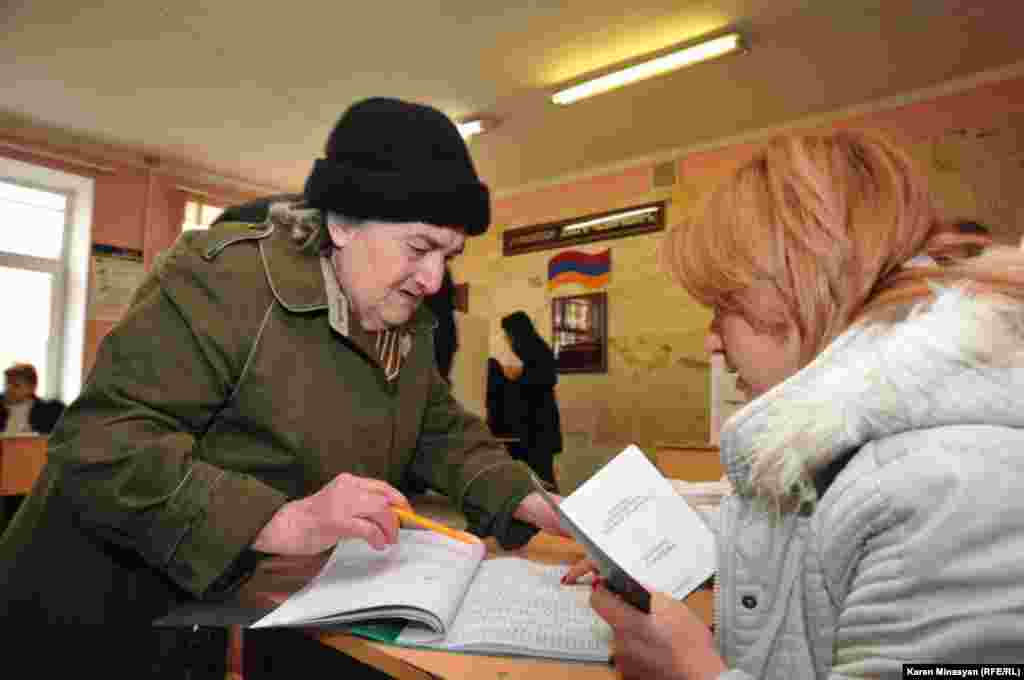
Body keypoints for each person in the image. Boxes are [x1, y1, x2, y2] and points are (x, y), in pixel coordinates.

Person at [0, 97, 567, 676]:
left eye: (449, 256)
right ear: (343, 222)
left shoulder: (403, 320)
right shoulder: (222, 281)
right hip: (89, 615)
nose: (433, 279)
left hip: (203, 615)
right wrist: (279, 521)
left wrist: (527, 497)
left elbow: (436, 428)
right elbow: (104, 439)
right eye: (420, 247)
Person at [565, 129, 1024, 677]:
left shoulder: (952, 484)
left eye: (722, 307)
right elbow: (801, 535)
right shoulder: (876, 450)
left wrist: (690, 672)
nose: (712, 340)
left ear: (792, 287)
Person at [487, 311, 563, 490]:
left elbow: (529, 390)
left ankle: (558, 517)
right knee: (541, 481)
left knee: (543, 483)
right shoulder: (537, 352)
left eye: (508, 337)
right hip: (539, 433)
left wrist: (500, 376)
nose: (509, 342)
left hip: (536, 433)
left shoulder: (536, 353)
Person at [1, 362, 65, 435]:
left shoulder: (49, 411)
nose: (8, 389)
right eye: (6, 384)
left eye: (16, 385)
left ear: (32, 388)